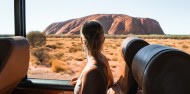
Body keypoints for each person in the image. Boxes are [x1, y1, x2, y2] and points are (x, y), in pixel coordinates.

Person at [70, 20, 114, 94]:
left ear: (81, 40)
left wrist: (89, 80)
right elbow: (110, 82)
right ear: (103, 40)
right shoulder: (103, 59)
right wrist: (83, 81)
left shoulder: (92, 71)